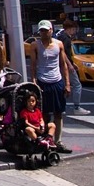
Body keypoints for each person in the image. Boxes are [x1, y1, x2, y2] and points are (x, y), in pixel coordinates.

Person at [30, 20, 72, 154]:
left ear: (51, 30)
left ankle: (58, 141)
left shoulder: (58, 44)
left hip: (57, 81)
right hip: (43, 82)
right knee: (44, 114)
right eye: (41, 30)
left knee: (58, 113)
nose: (43, 33)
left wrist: (67, 83)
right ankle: (46, 139)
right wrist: (34, 81)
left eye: (45, 30)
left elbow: (63, 64)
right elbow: (33, 65)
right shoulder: (35, 45)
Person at [56, 19, 90, 115]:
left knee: (62, 86)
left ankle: (61, 107)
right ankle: (76, 107)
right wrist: (70, 64)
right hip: (65, 65)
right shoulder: (66, 38)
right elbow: (63, 54)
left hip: (61, 65)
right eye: (74, 29)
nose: (75, 32)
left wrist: (72, 63)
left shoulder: (60, 36)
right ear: (70, 29)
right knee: (77, 85)